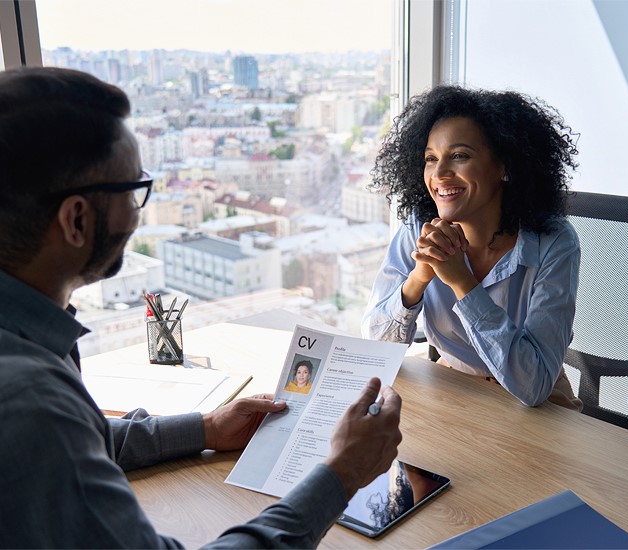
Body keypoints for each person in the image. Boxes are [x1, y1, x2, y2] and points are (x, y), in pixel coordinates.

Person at [0, 66, 402, 548]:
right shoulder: (29, 402)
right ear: (76, 219)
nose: (138, 212)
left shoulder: (26, 348)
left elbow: (75, 443)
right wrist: (342, 474)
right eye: (134, 190)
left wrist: (206, 427)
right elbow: (52, 434)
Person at [362, 84, 582, 411]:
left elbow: (534, 384)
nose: (439, 174)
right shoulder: (418, 227)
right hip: (454, 388)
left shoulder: (553, 243)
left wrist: (462, 282)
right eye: (430, 159)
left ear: (504, 165)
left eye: (459, 156)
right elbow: (374, 348)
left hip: (539, 406)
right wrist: (418, 278)